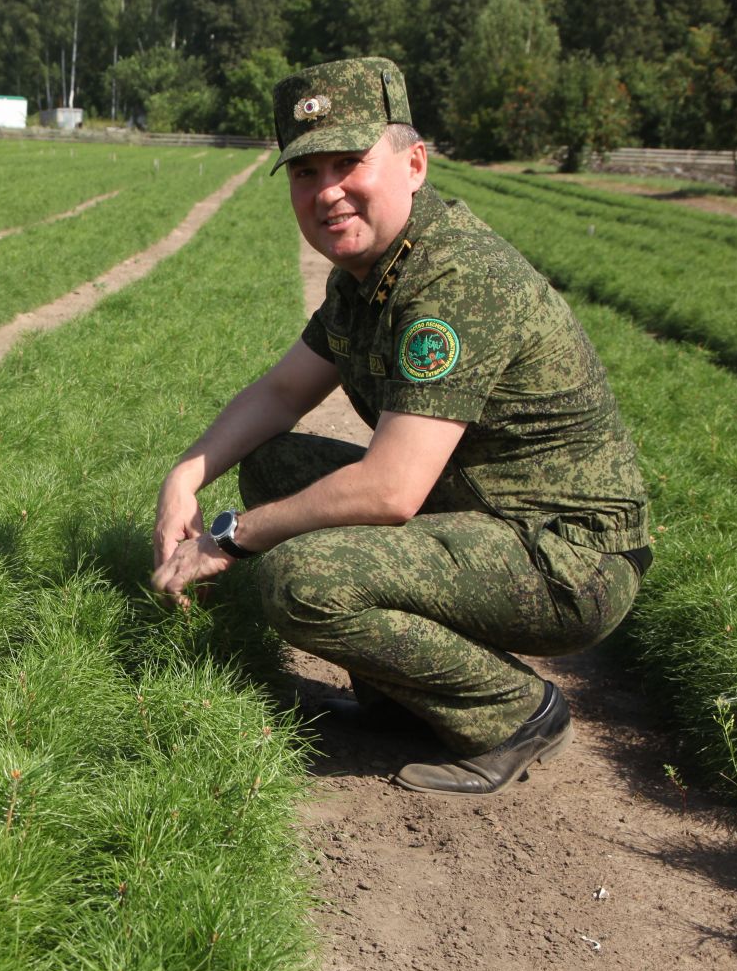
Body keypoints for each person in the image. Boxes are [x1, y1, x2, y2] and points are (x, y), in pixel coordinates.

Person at [150, 56, 650, 795]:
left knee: (296, 579)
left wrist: (229, 536)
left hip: (566, 557)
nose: (327, 192)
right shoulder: (366, 277)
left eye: (349, 162)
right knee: (273, 464)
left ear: (414, 164)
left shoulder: (455, 280)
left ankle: (514, 713)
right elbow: (285, 391)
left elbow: (389, 490)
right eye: (304, 172)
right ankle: (398, 701)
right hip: (482, 517)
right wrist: (185, 473)